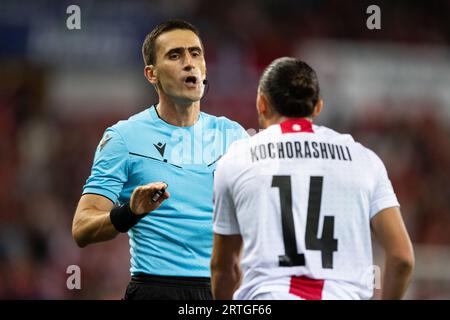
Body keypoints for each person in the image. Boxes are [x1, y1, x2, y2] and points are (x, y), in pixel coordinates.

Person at [210, 57, 414, 300]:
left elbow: (225, 267)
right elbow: (402, 258)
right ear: (317, 107)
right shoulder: (365, 160)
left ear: (261, 103)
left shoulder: (236, 159)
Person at [72, 19, 248, 300]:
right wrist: (130, 212)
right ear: (151, 74)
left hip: (223, 289)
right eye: (175, 55)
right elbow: (82, 229)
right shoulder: (123, 138)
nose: (189, 63)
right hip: (156, 289)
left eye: (195, 53)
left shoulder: (234, 136)